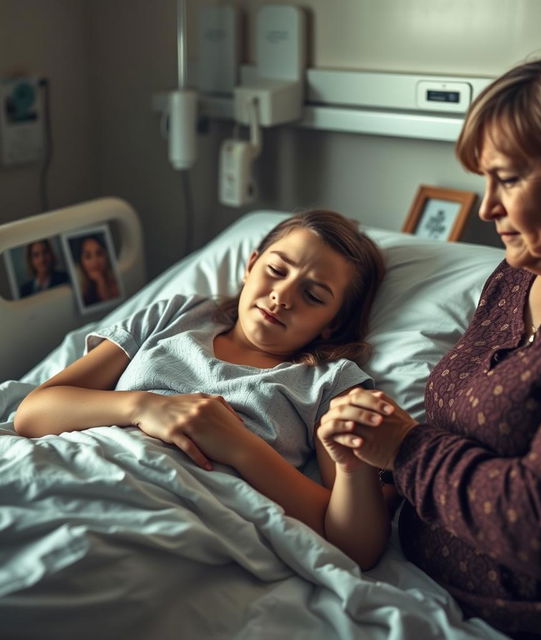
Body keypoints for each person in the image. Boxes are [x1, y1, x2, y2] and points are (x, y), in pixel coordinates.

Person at [319, 37, 541, 639]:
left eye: (508, 180)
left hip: (521, 621)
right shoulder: (525, 267)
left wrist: (404, 449)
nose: (486, 206)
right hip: (414, 574)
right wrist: (369, 463)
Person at [14, 210, 390, 569]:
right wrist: (145, 408)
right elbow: (32, 412)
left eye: (314, 296)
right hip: (71, 470)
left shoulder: (331, 384)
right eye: (276, 270)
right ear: (250, 266)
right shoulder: (175, 315)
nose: (283, 296)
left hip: (172, 517)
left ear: (333, 322)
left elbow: (354, 547)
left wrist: (241, 447)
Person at [75, 233, 121, 305]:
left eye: (99, 254)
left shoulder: (116, 282)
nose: (95, 261)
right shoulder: (79, 290)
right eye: (88, 256)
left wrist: (101, 281)